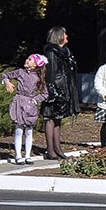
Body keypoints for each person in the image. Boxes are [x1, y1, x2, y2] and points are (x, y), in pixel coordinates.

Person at [41, 26, 80, 160]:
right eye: (64, 34)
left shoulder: (65, 51)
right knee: (50, 118)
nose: (67, 36)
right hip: (56, 89)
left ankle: (57, 149)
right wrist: (52, 91)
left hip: (65, 88)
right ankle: (50, 150)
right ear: (59, 36)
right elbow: (50, 73)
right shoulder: (51, 52)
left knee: (58, 119)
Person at [1, 53, 48, 164]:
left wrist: (35, 100)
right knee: (18, 129)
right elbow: (4, 75)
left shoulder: (38, 77)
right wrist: (7, 82)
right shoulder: (20, 72)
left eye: (30, 59)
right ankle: (18, 155)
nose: (27, 60)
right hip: (18, 103)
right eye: (27, 58)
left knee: (29, 130)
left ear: (35, 64)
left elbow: (45, 93)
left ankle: (27, 155)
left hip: (30, 105)